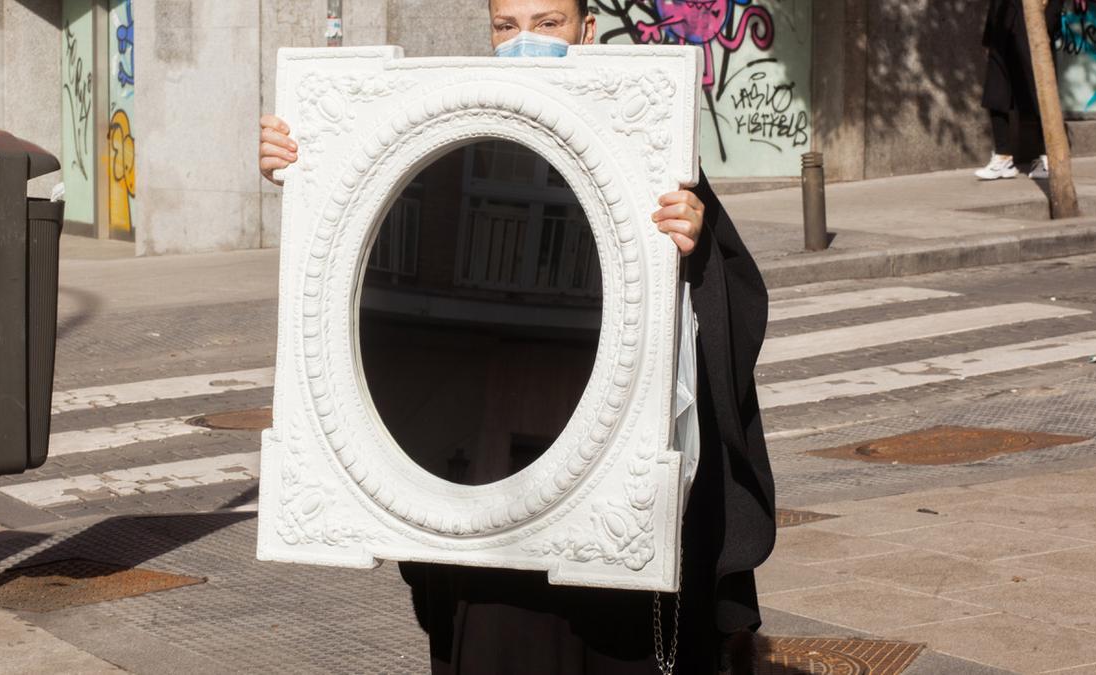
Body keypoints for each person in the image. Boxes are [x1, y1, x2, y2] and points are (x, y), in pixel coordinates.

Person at [258, 1, 776, 672]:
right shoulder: (459, 124)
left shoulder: (642, 143)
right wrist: (306, 163)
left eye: (548, 22)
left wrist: (696, 246)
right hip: (491, 506)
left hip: (607, 518)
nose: (524, 41)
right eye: (506, 27)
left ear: (588, 32)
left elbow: (728, 313)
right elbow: (363, 220)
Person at [976, 0, 1064, 181]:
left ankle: (1048, 157)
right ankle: (1003, 157)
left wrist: (1045, 26)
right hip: (1003, 25)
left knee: (1039, 91)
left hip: (1033, 25)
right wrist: (989, 34)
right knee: (996, 90)